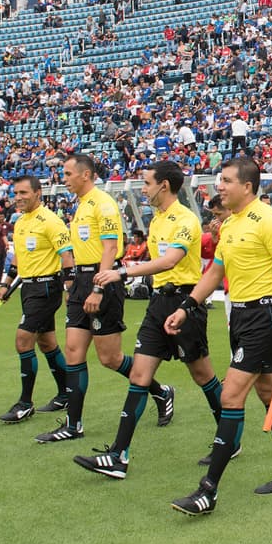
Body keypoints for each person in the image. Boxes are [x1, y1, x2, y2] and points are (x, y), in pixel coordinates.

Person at [165, 157, 272, 515]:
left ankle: (207, 491)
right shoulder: (228, 225)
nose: (220, 187)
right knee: (266, 390)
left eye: (226, 181)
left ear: (247, 186)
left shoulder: (270, 221)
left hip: (267, 315)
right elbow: (216, 271)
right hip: (242, 316)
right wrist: (187, 306)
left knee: (231, 396)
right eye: (219, 180)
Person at [74, 161, 225, 479]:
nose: (142, 190)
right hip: (158, 302)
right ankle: (118, 456)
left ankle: (229, 439)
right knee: (139, 375)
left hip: (185, 302)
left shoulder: (185, 220)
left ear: (164, 186)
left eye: (146, 183)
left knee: (202, 374)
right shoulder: (157, 220)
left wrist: (122, 271)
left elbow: (170, 260)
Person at [35, 155, 172, 444]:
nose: (65, 178)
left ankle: (160, 391)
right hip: (81, 281)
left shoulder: (103, 204)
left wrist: (98, 288)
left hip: (102, 280)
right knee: (73, 350)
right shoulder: (81, 205)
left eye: (68, 173)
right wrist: (73, 282)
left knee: (109, 358)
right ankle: (74, 424)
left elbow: (110, 247)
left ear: (86, 175)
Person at [0, 175, 74, 424]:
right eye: (16, 193)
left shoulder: (51, 221)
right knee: (47, 343)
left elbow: (67, 257)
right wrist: (5, 284)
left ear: (38, 193)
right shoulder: (19, 222)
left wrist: (70, 289)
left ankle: (25, 404)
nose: (18, 198)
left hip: (46, 289)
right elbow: (18, 257)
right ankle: (66, 394)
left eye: (24, 193)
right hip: (27, 289)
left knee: (23, 339)